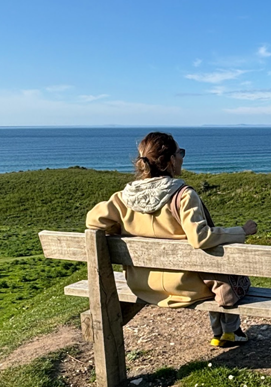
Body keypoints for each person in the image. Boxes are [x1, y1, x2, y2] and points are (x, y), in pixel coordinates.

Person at [85, 132, 258, 347]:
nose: (183, 157)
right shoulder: (183, 195)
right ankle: (230, 331)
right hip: (184, 287)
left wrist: (119, 228)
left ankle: (221, 333)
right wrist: (241, 231)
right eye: (180, 152)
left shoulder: (122, 198)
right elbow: (200, 237)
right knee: (226, 279)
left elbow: (92, 221)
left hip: (141, 285)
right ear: (170, 161)